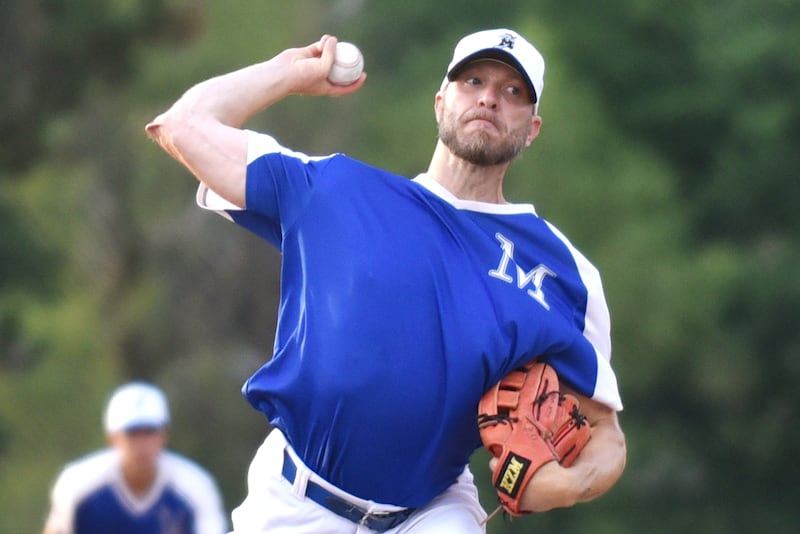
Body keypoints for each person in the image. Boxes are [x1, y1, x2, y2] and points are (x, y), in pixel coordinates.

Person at [145, 28, 626, 533]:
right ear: (440, 101)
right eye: (473, 80)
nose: (489, 97)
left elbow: (605, 430)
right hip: (292, 502)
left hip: (432, 511)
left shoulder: (564, 273)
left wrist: (571, 485)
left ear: (532, 128)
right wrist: (288, 73)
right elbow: (183, 125)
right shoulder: (335, 188)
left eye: (513, 92)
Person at [43, 382, 228, 534]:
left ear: (164, 435)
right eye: (132, 433)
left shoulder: (195, 486)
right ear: (112, 438)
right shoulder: (78, 484)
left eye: (150, 432)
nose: (142, 444)